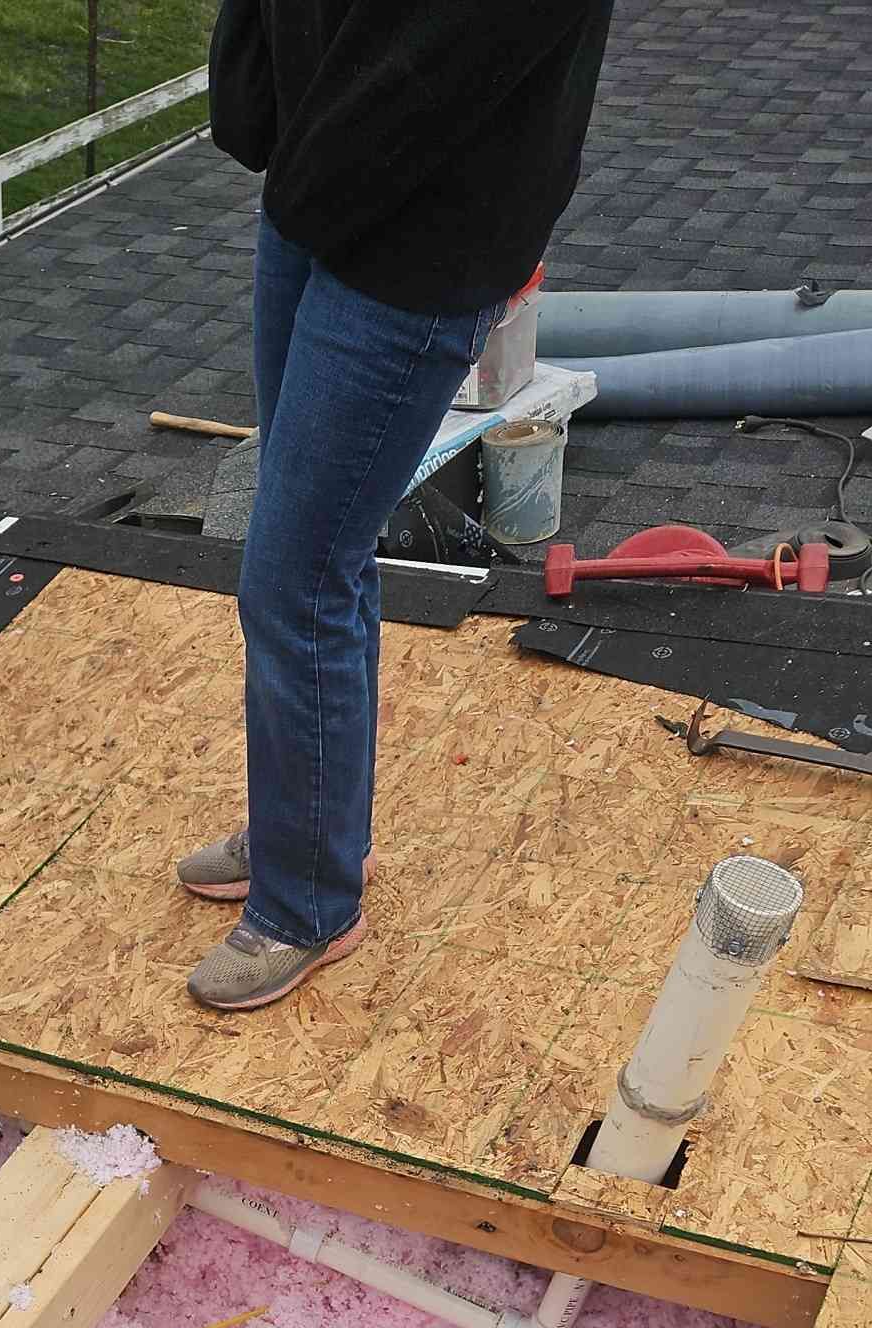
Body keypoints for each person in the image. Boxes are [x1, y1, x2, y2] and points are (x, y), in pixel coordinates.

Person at [180, 0, 615, 1011]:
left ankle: (309, 903)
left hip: (420, 233)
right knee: (317, 561)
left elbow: (462, 53)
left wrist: (319, 169)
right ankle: (306, 830)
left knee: (292, 578)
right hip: (317, 178)